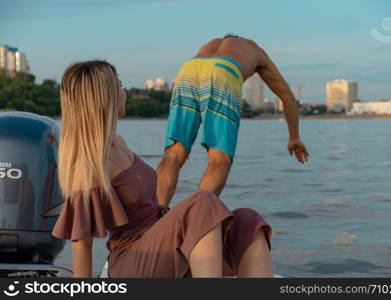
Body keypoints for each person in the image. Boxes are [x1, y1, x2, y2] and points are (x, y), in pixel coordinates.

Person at [52, 60, 274, 278]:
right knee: (203, 203)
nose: (124, 92)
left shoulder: (118, 143)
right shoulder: (87, 164)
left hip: (161, 244)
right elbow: (82, 244)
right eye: (119, 85)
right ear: (104, 97)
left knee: (247, 221)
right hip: (134, 259)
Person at [157, 34, 309, 207]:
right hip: (224, 70)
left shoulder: (210, 44)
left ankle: (156, 214)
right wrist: (294, 137)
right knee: (219, 159)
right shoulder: (255, 49)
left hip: (188, 70)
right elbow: (287, 97)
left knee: (174, 153)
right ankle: (196, 218)